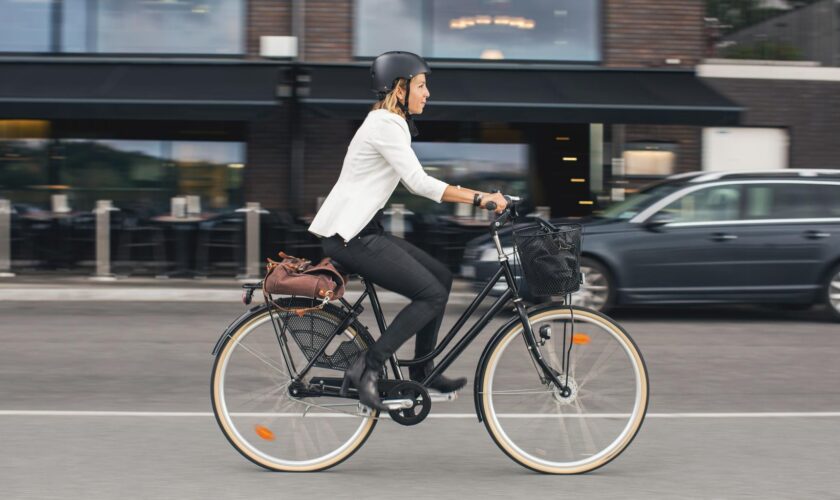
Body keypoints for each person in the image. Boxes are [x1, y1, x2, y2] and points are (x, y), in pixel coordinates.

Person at [307, 51, 508, 410]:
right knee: (429, 295)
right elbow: (419, 183)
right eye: (421, 85)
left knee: (441, 279)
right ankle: (366, 367)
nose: (427, 93)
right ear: (400, 89)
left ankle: (423, 373)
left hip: (364, 231)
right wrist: (481, 198)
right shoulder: (385, 123)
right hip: (350, 236)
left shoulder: (386, 123)